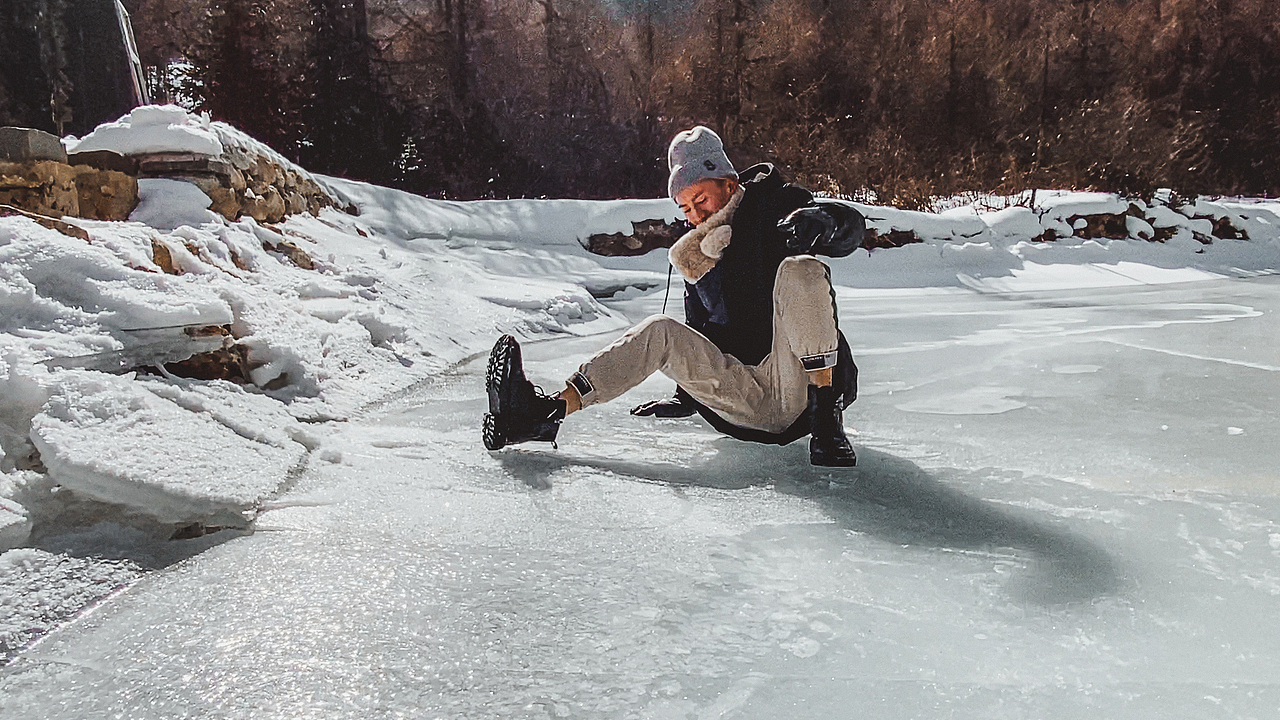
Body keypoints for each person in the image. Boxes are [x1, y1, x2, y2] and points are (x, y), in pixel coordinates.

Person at [482, 126, 865, 466]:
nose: (695, 215)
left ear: (729, 184)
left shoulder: (778, 207)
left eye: (701, 200)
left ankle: (827, 420)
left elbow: (849, 232)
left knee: (799, 269)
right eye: (685, 208)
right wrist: (685, 395)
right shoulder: (696, 256)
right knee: (660, 328)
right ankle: (543, 413)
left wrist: (829, 220)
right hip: (746, 399)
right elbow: (695, 333)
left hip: (798, 384)